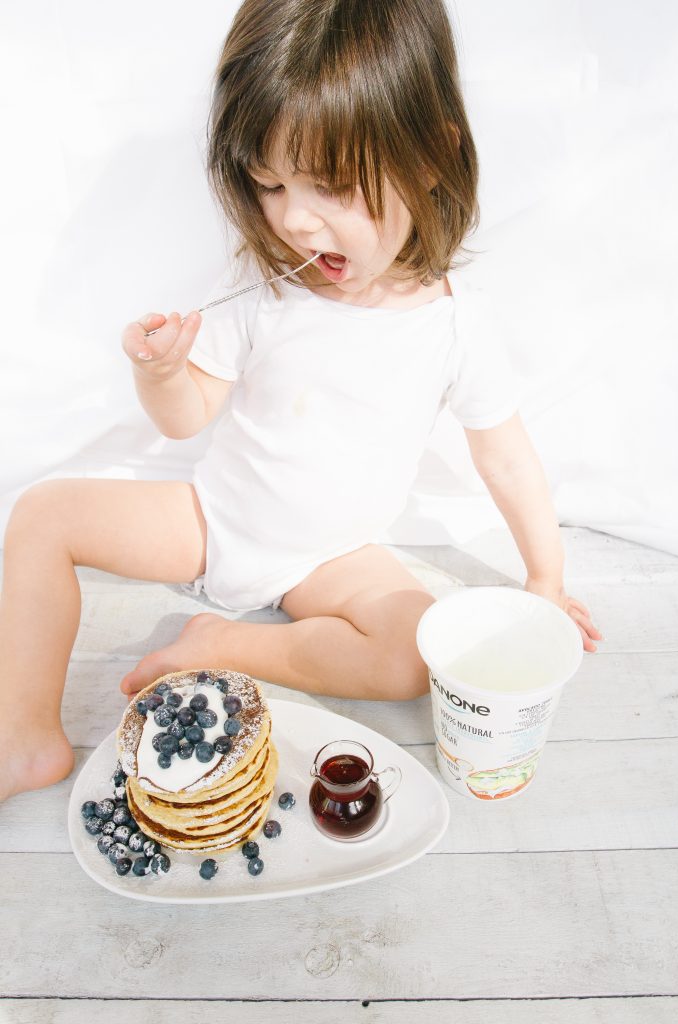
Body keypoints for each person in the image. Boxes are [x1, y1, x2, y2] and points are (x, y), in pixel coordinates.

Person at [0, 0, 602, 802]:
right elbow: (187, 418)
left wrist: (544, 576)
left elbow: (504, 451)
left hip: (332, 556)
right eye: (269, 184)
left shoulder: (455, 324)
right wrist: (162, 373)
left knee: (409, 657)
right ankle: (22, 735)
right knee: (43, 512)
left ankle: (223, 644)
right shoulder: (260, 286)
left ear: (430, 156)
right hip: (217, 520)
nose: (291, 218)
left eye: (331, 186)